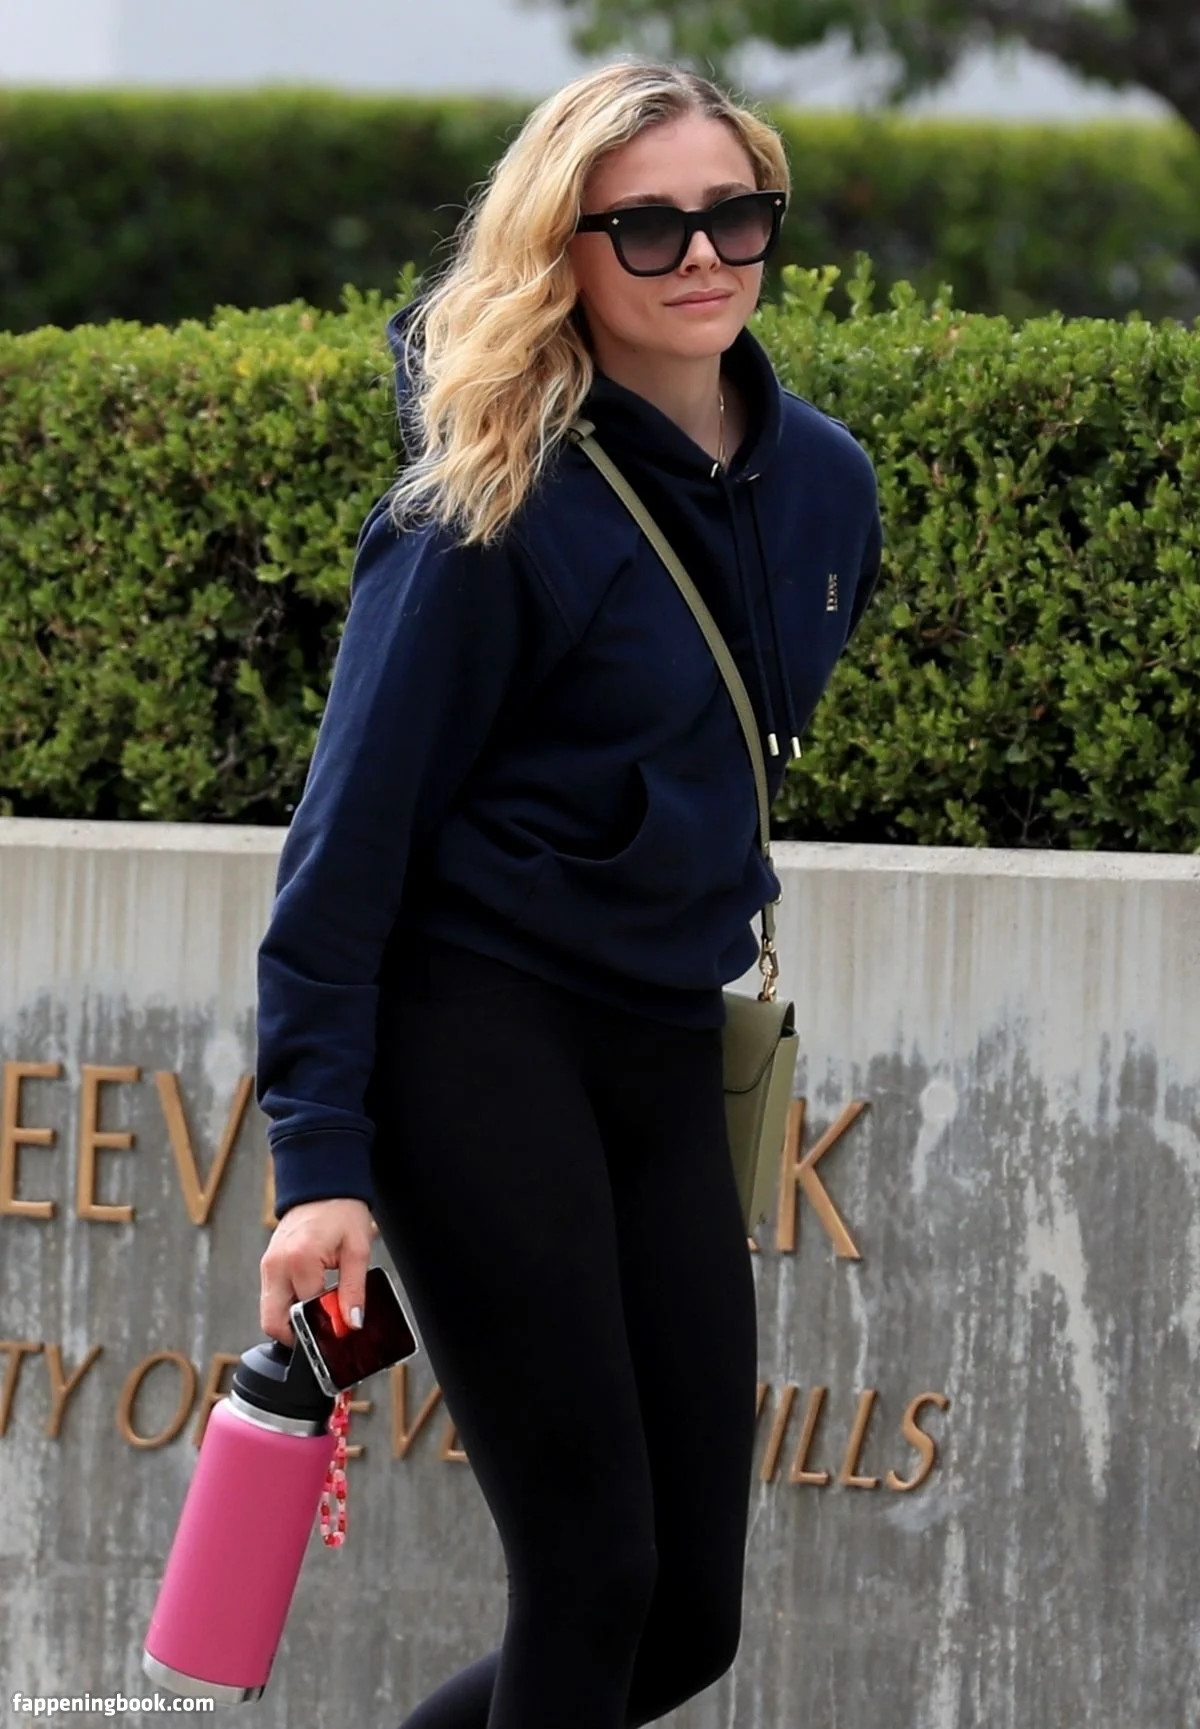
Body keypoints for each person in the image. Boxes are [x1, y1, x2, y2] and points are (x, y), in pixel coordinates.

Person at [256, 56, 884, 1729]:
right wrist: (319, 1163)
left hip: (668, 1039)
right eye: (649, 227)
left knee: (686, 1618)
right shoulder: (489, 502)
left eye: (737, 213)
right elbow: (344, 851)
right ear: (565, 248)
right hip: (477, 1036)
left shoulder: (827, 487)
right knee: (593, 1570)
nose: (705, 256)